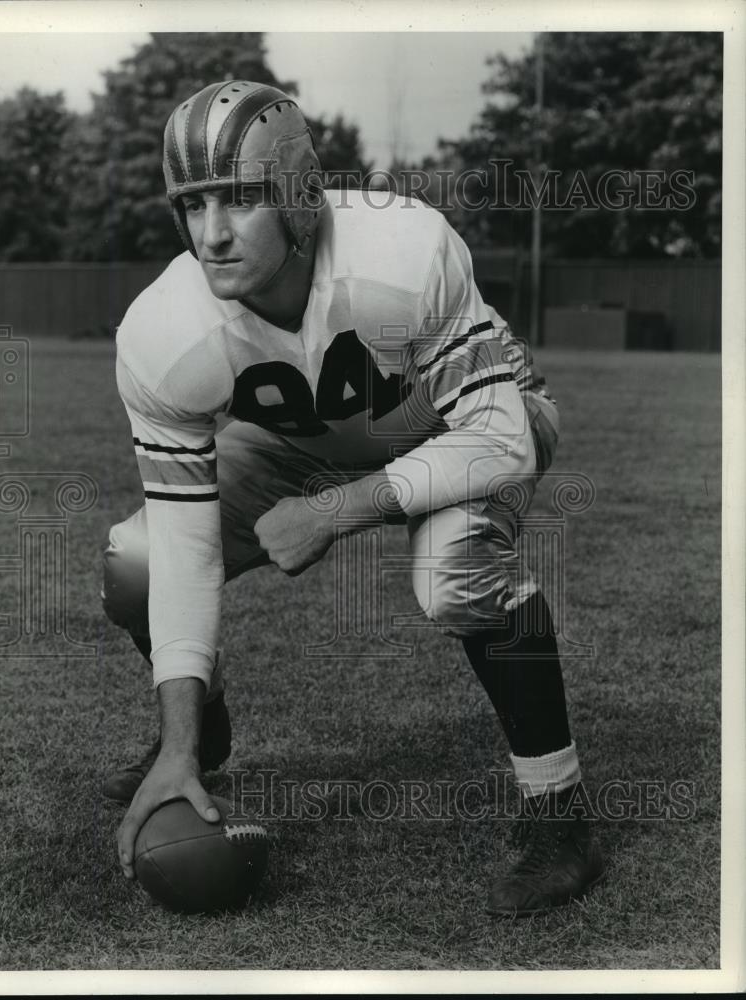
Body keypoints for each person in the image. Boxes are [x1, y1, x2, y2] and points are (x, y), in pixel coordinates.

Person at [102, 79, 604, 916]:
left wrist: (335, 510)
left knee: (451, 574)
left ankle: (560, 815)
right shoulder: (160, 330)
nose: (212, 234)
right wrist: (178, 748)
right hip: (300, 441)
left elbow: (498, 438)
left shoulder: (399, 249)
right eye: (192, 205)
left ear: (299, 196)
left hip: (460, 420)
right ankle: (199, 739)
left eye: (238, 201)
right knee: (137, 558)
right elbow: (187, 549)